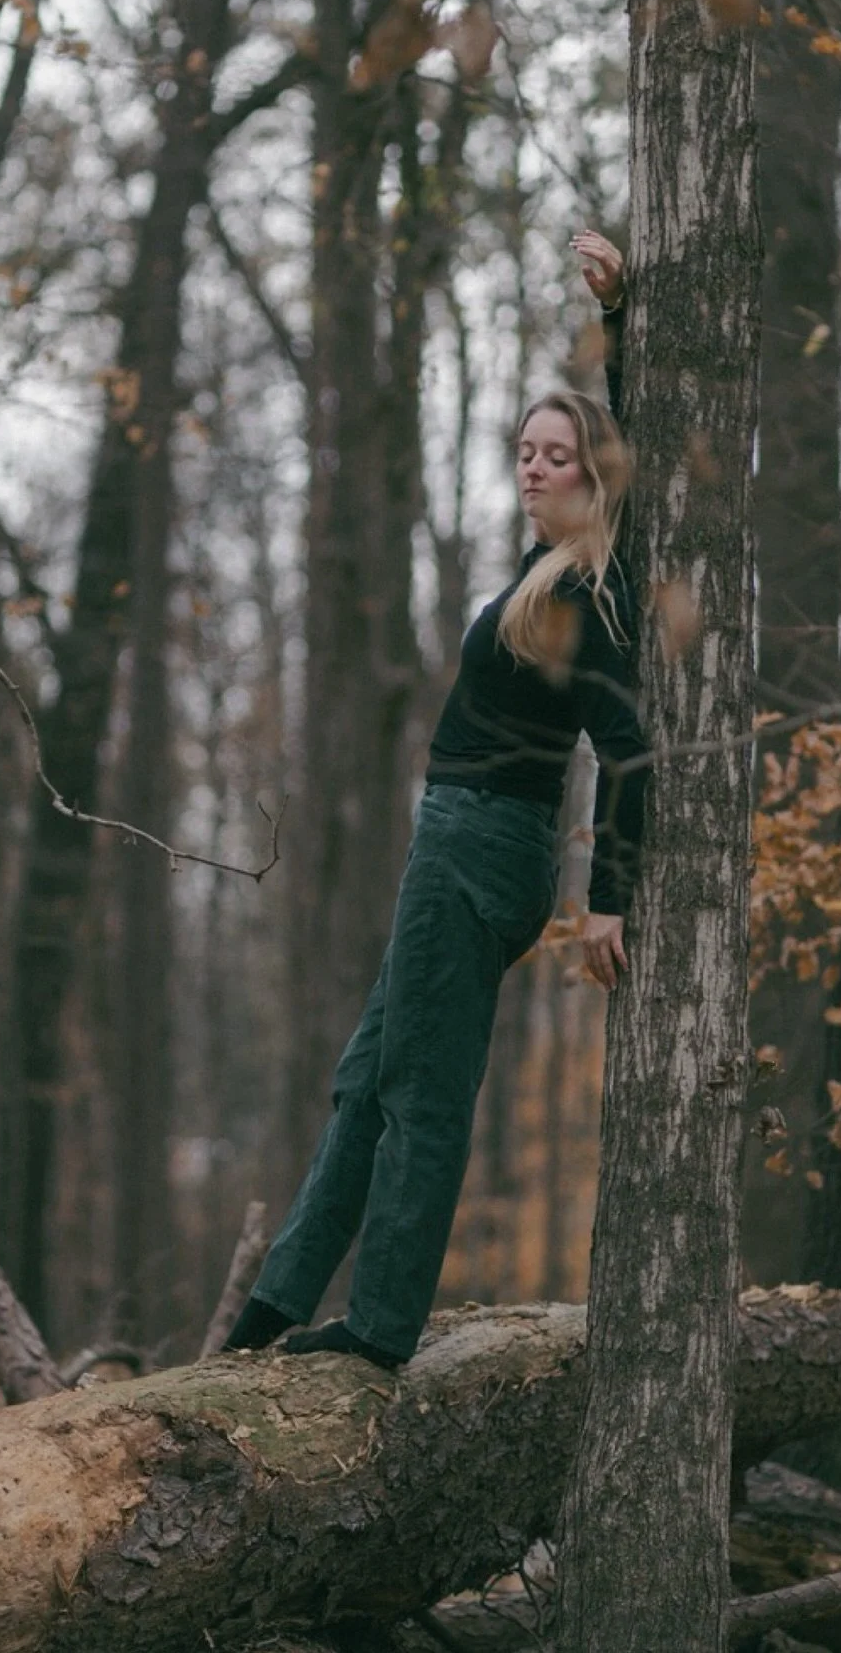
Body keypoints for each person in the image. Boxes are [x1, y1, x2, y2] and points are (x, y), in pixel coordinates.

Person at [224, 230, 647, 1370]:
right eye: (525, 448)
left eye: (558, 453)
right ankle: (272, 1308)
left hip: (484, 851)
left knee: (418, 1088)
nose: (534, 464)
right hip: (457, 850)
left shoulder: (594, 588)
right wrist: (609, 303)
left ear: (594, 472)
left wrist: (607, 902)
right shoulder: (542, 575)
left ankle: (381, 1332)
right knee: (368, 1076)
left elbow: (629, 749)